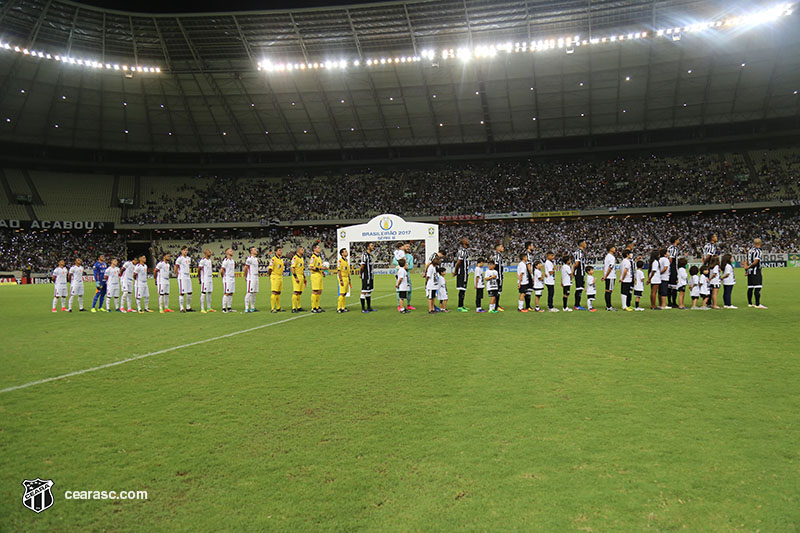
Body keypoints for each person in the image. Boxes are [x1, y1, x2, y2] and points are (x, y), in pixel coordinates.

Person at [744, 238, 766, 309]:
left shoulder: (749, 251)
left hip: (750, 272)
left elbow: (746, 261)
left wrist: (746, 269)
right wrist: (749, 267)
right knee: (757, 287)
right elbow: (756, 261)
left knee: (750, 287)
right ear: (760, 243)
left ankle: (750, 303)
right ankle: (757, 304)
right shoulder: (758, 251)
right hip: (756, 271)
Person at [175, 246, 194, 312]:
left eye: (186, 250)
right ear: (181, 251)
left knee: (189, 292)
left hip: (188, 277)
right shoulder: (179, 259)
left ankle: (188, 307)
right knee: (182, 292)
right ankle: (181, 308)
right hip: (182, 277)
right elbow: (176, 267)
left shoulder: (189, 258)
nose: (186, 251)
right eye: (184, 250)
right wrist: (177, 274)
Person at [310, 243, 327, 313]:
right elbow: (311, 267)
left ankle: (317, 306)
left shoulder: (319, 257)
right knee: (315, 291)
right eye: (318, 248)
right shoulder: (313, 257)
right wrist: (320, 268)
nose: (319, 249)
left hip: (319, 275)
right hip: (315, 275)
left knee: (320, 291)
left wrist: (322, 271)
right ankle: (313, 307)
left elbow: (319, 267)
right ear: (314, 249)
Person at [454, 237, 470, 312]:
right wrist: (455, 271)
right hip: (462, 272)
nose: (468, 241)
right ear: (463, 243)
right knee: (462, 289)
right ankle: (459, 306)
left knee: (464, 289)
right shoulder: (462, 251)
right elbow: (459, 261)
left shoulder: (465, 250)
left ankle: (462, 305)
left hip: (465, 272)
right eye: (466, 240)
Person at [359, 242, 375, 313]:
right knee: (364, 291)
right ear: (368, 247)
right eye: (371, 245)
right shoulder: (364, 255)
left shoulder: (370, 255)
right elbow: (362, 266)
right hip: (366, 276)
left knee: (369, 291)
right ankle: (363, 309)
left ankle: (369, 307)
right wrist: (360, 273)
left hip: (370, 276)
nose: (373, 246)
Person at [267, 247, 284, 313]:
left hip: (280, 277)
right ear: (275, 252)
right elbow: (270, 268)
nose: (281, 251)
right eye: (279, 250)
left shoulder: (281, 259)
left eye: (281, 250)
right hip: (275, 276)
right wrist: (270, 275)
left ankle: (278, 307)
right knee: (274, 292)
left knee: (278, 292)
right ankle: (272, 308)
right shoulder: (273, 259)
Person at [601, 245, 617, 311]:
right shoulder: (612, 257)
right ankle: (609, 306)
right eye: (614, 247)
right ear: (611, 249)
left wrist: (604, 275)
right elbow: (610, 267)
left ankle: (608, 306)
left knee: (608, 290)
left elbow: (605, 266)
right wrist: (606, 276)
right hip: (611, 276)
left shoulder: (607, 256)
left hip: (608, 276)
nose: (615, 249)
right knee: (609, 291)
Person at [243, 247, 260, 313]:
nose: (256, 250)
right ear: (251, 251)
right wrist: (245, 275)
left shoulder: (255, 259)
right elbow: (246, 267)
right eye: (255, 250)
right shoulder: (249, 259)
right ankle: (246, 308)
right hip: (251, 277)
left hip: (256, 276)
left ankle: (252, 307)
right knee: (249, 292)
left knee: (254, 293)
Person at [220, 248, 236, 313]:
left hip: (232, 278)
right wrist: (223, 277)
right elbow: (222, 270)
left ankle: (229, 307)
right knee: (226, 293)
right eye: (230, 251)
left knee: (231, 293)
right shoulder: (225, 261)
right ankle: (223, 308)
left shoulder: (232, 261)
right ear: (227, 253)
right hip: (227, 278)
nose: (232, 252)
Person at [290, 247, 306, 313]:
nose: (303, 250)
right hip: (296, 276)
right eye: (302, 249)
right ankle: (293, 308)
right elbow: (292, 268)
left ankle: (299, 307)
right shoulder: (295, 258)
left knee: (300, 292)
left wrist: (304, 277)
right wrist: (295, 277)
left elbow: (302, 269)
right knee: (296, 291)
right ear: (298, 251)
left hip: (301, 276)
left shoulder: (301, 258)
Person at [198, 249, 215, 313]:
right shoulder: (203, 261)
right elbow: (199, 269)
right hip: (205, 279)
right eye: (209, 252)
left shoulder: (209, 260)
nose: (210, 253)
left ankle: (209, 307)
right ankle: (202, 308)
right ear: (205, 253)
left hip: (210, 278)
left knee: (209, 292)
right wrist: (199, 278)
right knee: (203, 292)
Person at [573, 239, 587, 310]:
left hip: (581, 273)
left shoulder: (581, 252)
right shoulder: (578, 252)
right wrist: (573, 271)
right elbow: (576, 263)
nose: (586, 244)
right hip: (579, 273)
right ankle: (576, 305)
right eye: (584, 243)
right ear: (581, 244)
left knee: (580, 289)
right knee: (579, 289)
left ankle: (578, 304)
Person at [667, 237, 680, 308]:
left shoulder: (669, 248)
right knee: (674, 286)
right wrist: (669, 266)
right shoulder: (674, 248)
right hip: (673, 269)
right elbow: (671, 258)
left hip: (670, 269)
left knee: (669, 286)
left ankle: (669, 302)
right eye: (678, 239)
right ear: (675, 240)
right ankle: (674, 302)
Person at [491, 243, 505, 311]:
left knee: (499, 291)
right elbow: (495, 266)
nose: (503, 248)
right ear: (498, 248)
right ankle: (495, 307)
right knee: (497, 291)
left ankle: (497, 305)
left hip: (500, 276)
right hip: (498, 277)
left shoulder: (499, 255)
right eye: (501, 247)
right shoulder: (497, 256)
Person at [337, 248, 351, 313]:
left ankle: (343, 307)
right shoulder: (340, 261)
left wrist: (349, 278)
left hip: (346, 278)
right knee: (342, 293)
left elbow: (348, 271)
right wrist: (341, 280)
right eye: (345, 251)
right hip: (342, 278)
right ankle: (339, 308)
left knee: (344, 293)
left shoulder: (346, 261)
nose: (346, 252)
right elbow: (339, 271)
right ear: (342, 253)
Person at [403, 242, 416, 310]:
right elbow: (394, 262)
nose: (408, 248)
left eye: (409, 246)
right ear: (403, 247)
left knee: (409, 290)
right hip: (399, 274)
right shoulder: (398, 255)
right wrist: (402, 266)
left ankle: (408, 304)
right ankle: (399, 305)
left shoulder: (410, 256)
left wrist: (406, 267)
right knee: (399, 291)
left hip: (407, 274)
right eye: (407, 246)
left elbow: (411, 266)